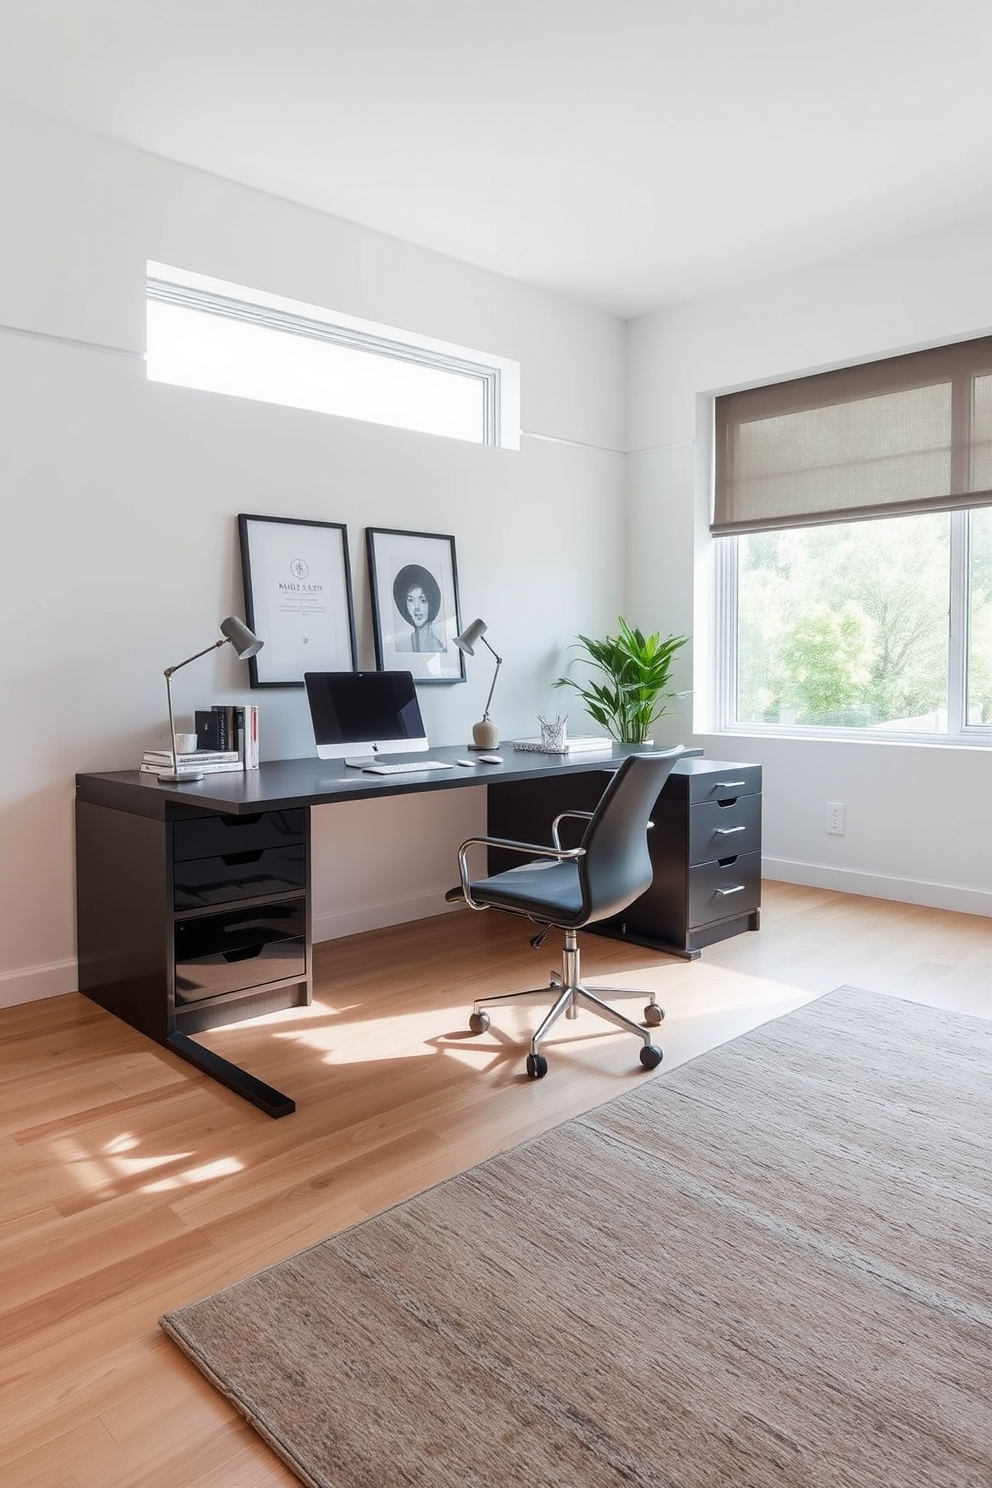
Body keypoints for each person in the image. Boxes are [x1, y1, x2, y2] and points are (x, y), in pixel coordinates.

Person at [393, 563, 445, 652]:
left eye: (423, 600)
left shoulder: (440, 649)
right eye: (411, 600)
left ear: (431, 604)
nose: (417, 607)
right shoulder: (401, 646)